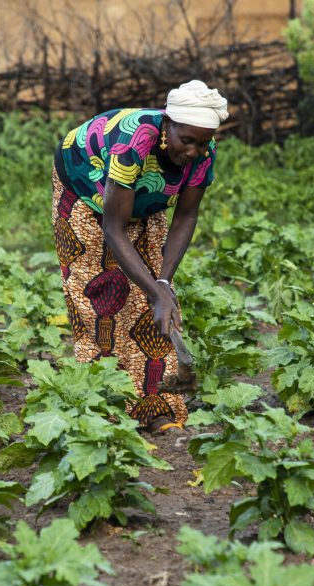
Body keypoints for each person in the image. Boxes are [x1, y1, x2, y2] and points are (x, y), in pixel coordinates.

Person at [51, 80, 228, 432]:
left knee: (156, 308)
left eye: (203, 141)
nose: (193, 150)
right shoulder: (133, 143)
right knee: (100, 296)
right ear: (167, 125)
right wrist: (153, 289)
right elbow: (114, 228)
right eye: (186, 140)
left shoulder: (202, 156)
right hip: (85, 185)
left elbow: (187, 216)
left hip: (145, 197)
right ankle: (104, 412)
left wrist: (161, 284)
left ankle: (156, 406)